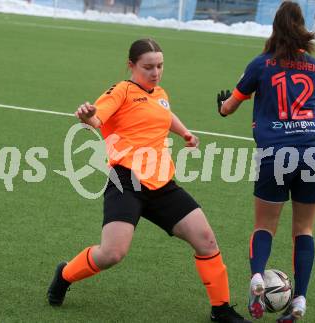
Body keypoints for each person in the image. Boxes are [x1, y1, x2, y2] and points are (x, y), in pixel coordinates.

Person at [47, 38, 251, 323]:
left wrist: (185, 133)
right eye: (148, 67)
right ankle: (65, 274)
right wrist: (88, 117)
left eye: (160, 66)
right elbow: (98, 119)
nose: (155, 72)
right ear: (131, 66)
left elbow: (164, 113)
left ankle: (221, 309)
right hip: (126, 182)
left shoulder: (159, 92)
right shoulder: (121, 91)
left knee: (206, 240)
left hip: (162, 184)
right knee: (112, 253)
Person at [217, 2, 315, 322]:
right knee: (304, 229)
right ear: (302, 27)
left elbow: (231, 106)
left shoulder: (261, 64)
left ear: (274, 28)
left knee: (264, 225)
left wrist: (222, 106)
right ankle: (300, 301)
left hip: (276, 153)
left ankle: (256, 279)